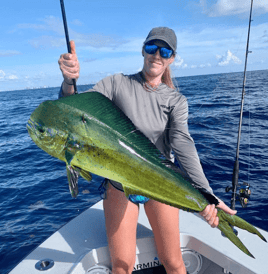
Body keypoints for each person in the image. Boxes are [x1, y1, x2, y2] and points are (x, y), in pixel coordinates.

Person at [58, 27, 236, 274]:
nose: (157, 55)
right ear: (143, 50)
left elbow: (182, 144)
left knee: (173, 262)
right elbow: (76, 109)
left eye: (165, 51)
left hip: (158, 184)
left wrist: (206, 193)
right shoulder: (116, 83)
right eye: (152, 48)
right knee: (121, 265)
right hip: (120, 185)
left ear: (172, 58)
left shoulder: (176, 100)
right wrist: (69, 81)